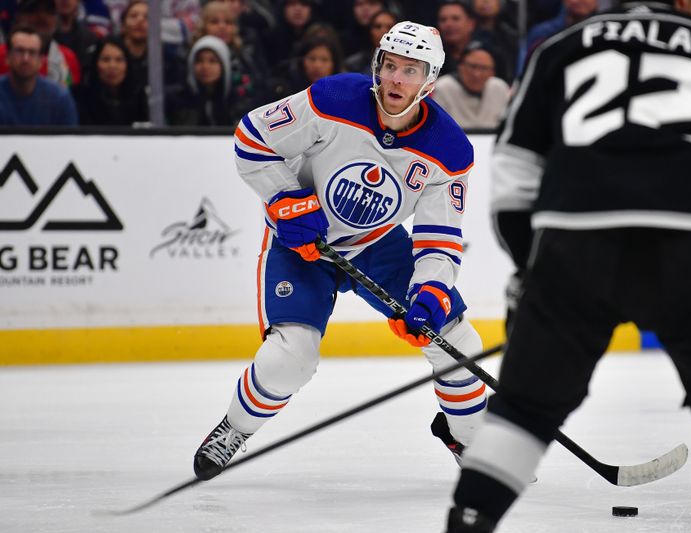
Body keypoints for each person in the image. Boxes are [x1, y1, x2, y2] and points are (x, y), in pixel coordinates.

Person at [443, 0, 691, 530]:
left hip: (575, 241)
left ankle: (468, 522)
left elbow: (514, 171)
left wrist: (532, 267)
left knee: (523, 413)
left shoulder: (560, 47)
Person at [192, 21, 489, 482]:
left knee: (456, 341)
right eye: (389, 66)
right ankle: (235, 427)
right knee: (291, 358)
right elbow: (253, 137)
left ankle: (469, 443)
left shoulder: (448, 150)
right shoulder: (333, 99)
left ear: (430, 82)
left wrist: (430, 292)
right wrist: (284, 200)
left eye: (410, 71)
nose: (395, 79)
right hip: (302, 243)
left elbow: (438, 238)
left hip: (376, 244)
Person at [0, 26, 78, 125]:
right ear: (7, 57)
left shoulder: (59, 98)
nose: (25, 59)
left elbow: (70, 139)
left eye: (32, 52)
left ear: (41, 60)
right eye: (19, 51)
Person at [0, 0, 82, 88]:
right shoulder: (2, 54)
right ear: (19, 17)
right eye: (33, 11)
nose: (42, 17)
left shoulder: (68, 57)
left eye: (49, 12)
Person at [70, 35, 148, 125]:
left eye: (119, 60)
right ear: (96, 64)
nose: (112, 66)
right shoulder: (80, 97)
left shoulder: (138, 96)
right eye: (106, 60)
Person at [432, 41, 510, 129]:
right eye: (473, 66)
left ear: (492, 72)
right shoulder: (443, 87)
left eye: (484, 68)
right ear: (460, 66)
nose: (477, 74)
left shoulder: (499, 88)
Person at [166, 35, 236, 125]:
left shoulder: (238, 102)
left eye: (212, 61)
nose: (205, 67)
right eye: (199, 61)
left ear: (224, 67)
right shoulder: (176, 100)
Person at [344, 8, 397, 74]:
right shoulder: (353, 64)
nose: (383, 31)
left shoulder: (407, 62)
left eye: (390, 27)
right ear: (370, 31)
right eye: (378, 26)